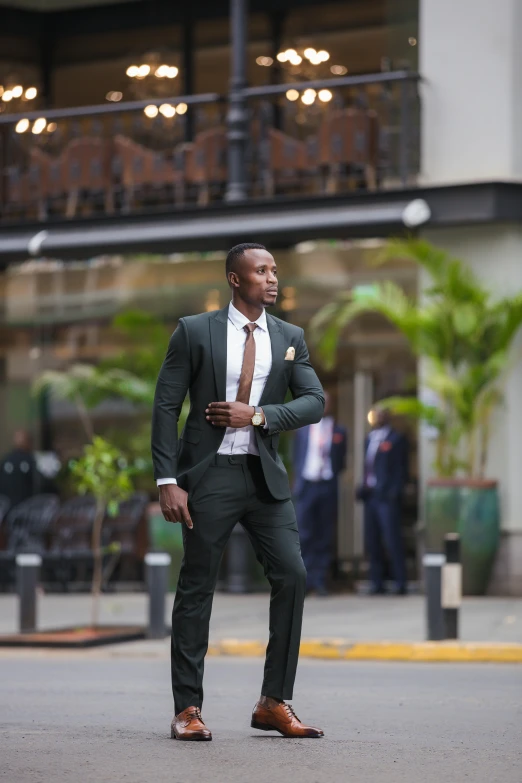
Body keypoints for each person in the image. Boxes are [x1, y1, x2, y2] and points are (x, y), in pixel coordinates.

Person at [152, 242, 325, 741]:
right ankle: (187, 709)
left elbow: (314, 401)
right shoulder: (195, 331)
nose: (272, 279)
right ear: (235, 279)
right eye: (261, 271)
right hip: (209, 475)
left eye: (275, 270)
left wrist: (262, 415)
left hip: (263, 474)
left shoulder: (289, 336)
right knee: (197, 587)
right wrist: (169, 480)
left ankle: (274, 701)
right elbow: (166, 407)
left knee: (292, 575)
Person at [293, 391, 347, 596]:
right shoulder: (303, 430)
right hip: (307, 485)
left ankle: (321, 579)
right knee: (305, 533)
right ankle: (305, 580)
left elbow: (341, 461)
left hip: (327, 485)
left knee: (325, 534)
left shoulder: (339, 430)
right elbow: (297, 456)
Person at [357, 407, 409, 595]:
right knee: (372, 540)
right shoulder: (369, 439)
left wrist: (394, 492)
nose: (377, 418)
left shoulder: (396, 439)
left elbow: (401, 469)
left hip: (386, 497)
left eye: (381, 414)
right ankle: (376, 581)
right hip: (371, 495)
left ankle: (400, 581)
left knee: (392, 539)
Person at [0, 430, 40, 509]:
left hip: (7, 509)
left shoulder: (6, 459)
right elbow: (39, 484)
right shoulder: (29, 460)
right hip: (25, 510)